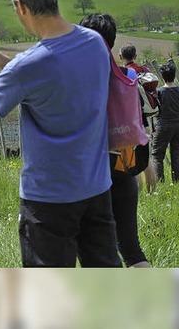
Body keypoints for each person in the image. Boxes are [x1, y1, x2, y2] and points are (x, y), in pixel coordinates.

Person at [0, 0, 120, 267]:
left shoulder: (31, 64)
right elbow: (45, 73)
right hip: (97, 189)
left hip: (48, 201)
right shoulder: (94, 43)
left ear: (20, 6)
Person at [80, 13, 150, 268]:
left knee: (97, 252)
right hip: (125, 165)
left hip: (94, 173)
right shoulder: (126, 76)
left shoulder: (80, 80)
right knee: (131, 249)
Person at [119, 45, 158, 192]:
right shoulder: (145, 71)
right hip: (147, 119)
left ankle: (137, 190)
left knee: (131, 157)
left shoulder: (126, 73)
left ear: (122, 56)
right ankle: (152, 189)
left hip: (133, 120)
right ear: (135, 55)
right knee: (146, 157)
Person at [152, 62, 179, 182]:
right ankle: (177, 180)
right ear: (174, 74)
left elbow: (155, 109)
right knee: (176, 153)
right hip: (177, 124)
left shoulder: (159, 92)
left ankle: (159, 181)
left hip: (163, 125)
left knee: (157, 155)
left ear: (162, 76)